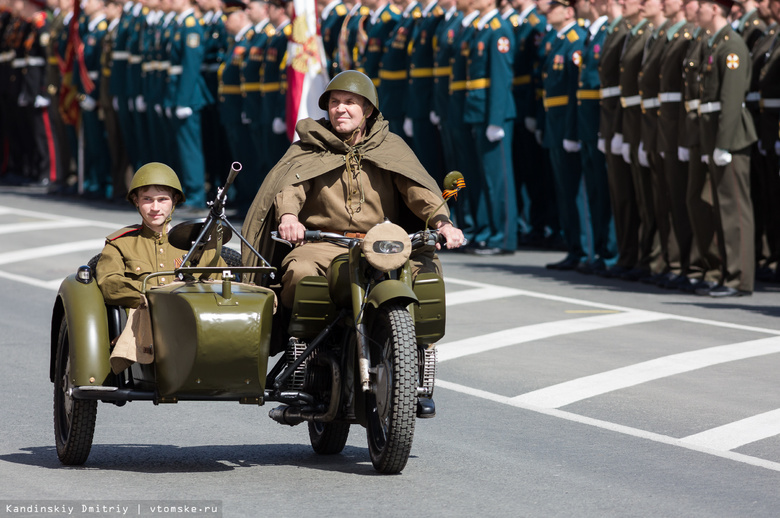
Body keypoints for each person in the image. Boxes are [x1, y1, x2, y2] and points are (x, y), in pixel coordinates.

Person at [240, 70, 465, 309]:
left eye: (350, 102)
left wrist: (443, 224)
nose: (340, 109)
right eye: (334, 102)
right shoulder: (310, 146)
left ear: (367, 110)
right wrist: (289, 218)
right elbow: (292, 186)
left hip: (384, 243)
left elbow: (417, 190)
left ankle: (416, 346)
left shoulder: (390, 146)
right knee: (300, 272)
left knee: (425, 277)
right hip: (322, 244)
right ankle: (303, 342)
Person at [96, 162, 226, 309]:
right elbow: (109, 285)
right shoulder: (121, 244)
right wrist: (157, 292)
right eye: (147, 199)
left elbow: (226, 285)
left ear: (174, 200)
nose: (155, 208)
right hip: (141, 323)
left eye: (163, 199)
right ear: (136, 200)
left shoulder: (199, 245)